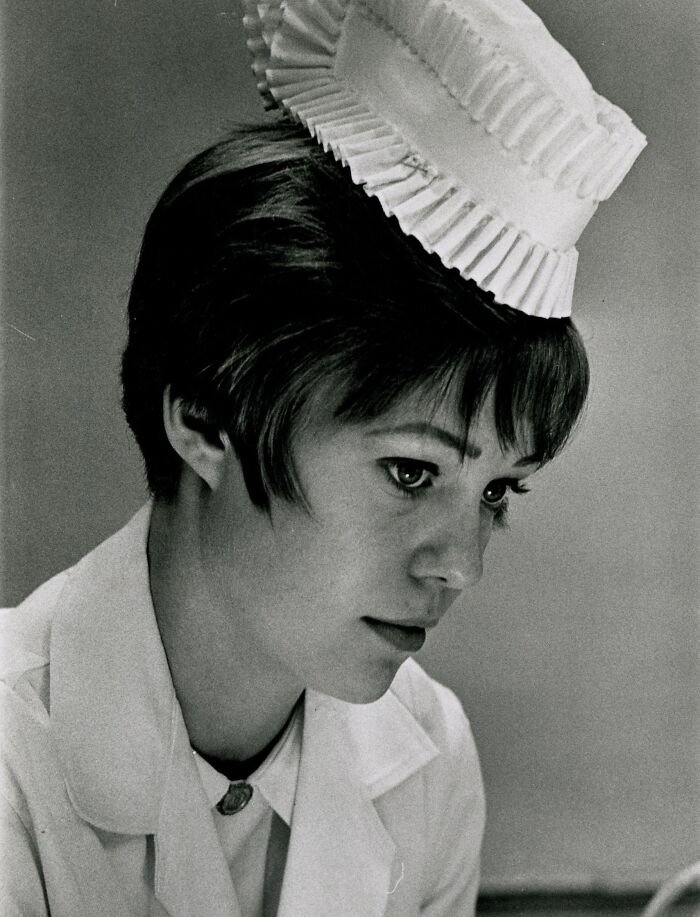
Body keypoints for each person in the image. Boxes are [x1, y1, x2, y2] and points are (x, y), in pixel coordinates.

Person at [0, 1, 645, 915]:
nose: (460, 564)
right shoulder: (9, 767)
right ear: (204, 416)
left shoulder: (430, 755)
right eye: (412, 472)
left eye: (498, 490)